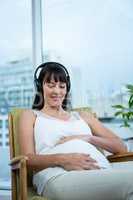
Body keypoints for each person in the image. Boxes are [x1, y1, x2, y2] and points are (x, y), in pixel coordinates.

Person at [19, 62, 133, 200]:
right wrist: (63, 159)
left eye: (62, 86)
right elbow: (27, 159)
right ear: (40, 87)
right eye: (50, 85)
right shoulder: (31, 116)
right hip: (58, 175)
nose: (57, 91)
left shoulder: (83, 116)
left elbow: (121, 147)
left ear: (67, 89)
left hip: (101, 171)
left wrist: (86, 138)